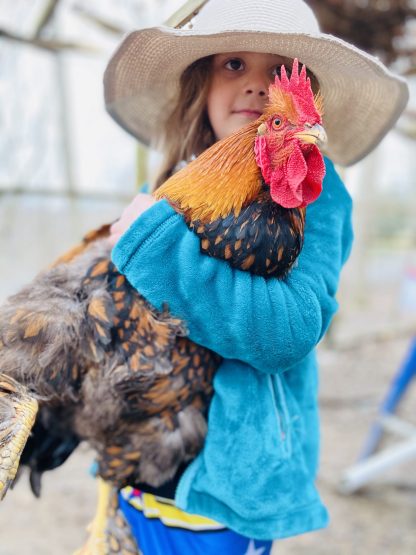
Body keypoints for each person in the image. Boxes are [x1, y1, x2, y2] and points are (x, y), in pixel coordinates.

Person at [104, 0, 409, 553]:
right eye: (234, 65)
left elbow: (285, 333)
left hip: (225, 486)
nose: (256, 86)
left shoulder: (313, 194)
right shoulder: (177, 179)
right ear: (201, 81)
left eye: (278, 70)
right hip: (138, 467)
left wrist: (154, 248)